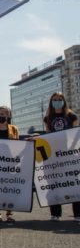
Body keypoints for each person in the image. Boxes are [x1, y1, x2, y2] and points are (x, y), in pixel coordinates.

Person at [43, 92, 80, 222]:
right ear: (51, 102)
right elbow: (47, 135)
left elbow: (75, 135)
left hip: (69, 155)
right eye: (55, 99)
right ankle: (55, 213)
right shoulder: (48, 118)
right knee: (53, 183)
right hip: (53, 155)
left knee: (73, 183)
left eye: (60, 99)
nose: (57, 101)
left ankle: (78, 214)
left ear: (64, 101)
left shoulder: (71, 116)